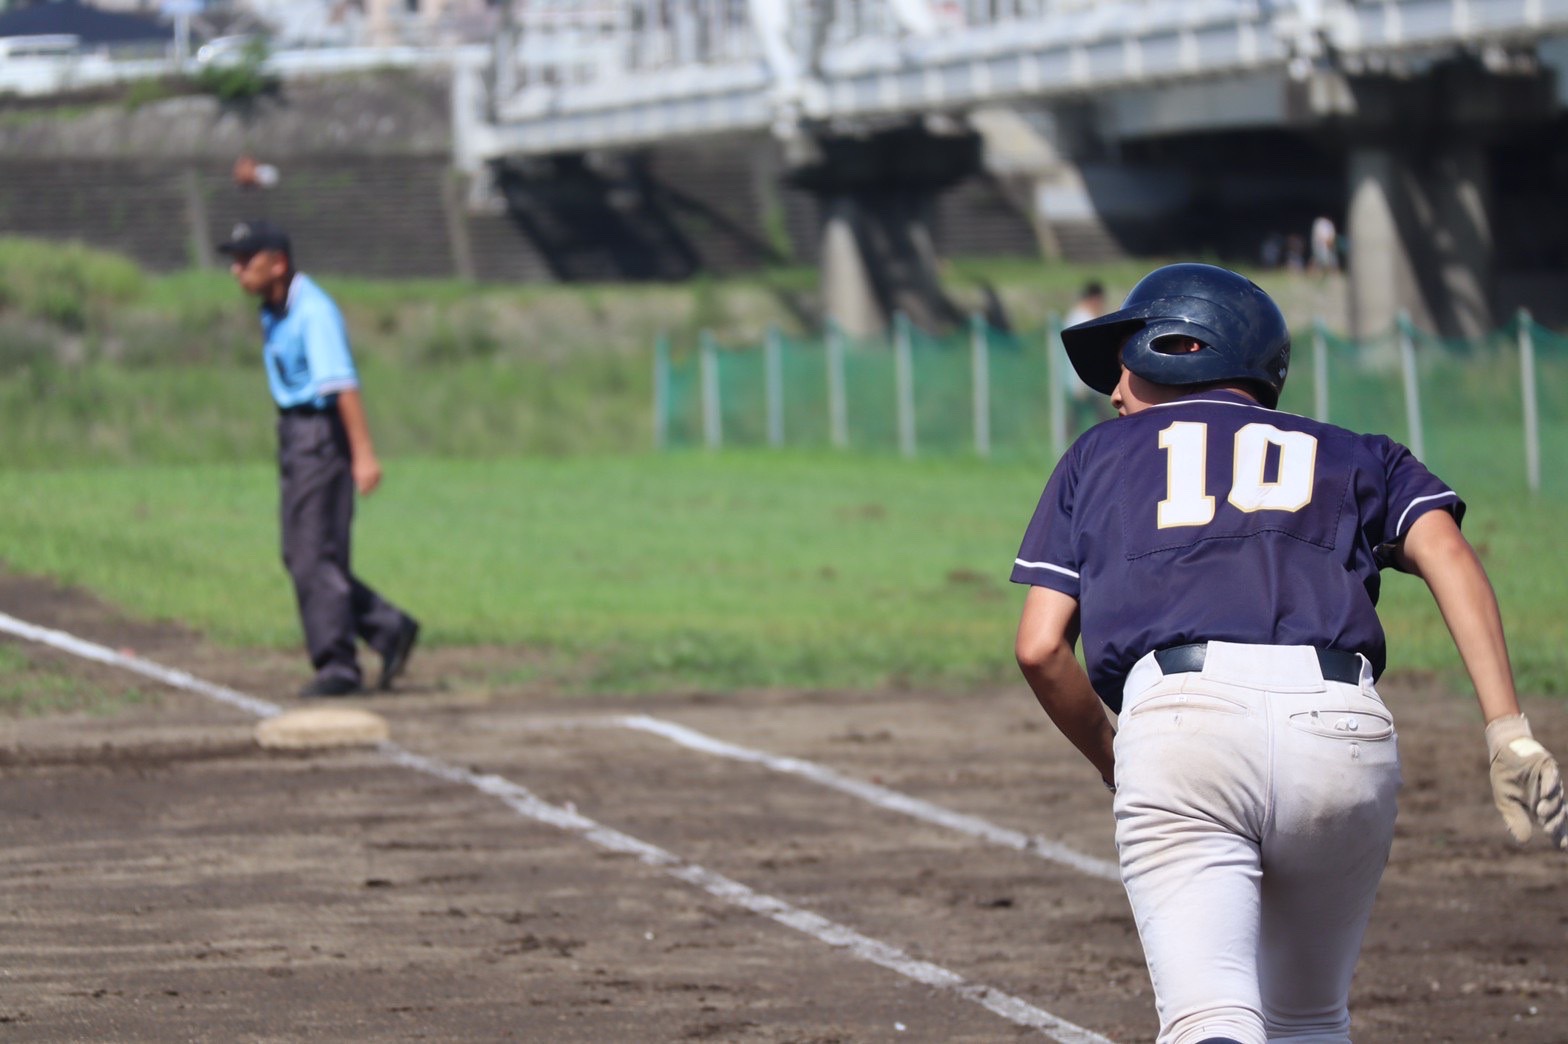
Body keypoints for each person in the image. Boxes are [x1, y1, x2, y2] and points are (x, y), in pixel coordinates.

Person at [1011, 262, 1566, 1044]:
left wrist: (1112, 756)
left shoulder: (1098, 456)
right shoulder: (1357, 451)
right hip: (1342, 729)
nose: (1115, 392)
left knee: (1212, 1018)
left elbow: (1039, 649)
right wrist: (1506, 728)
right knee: (1307, 1021)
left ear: (1174, 353)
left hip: (1183, 722)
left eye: (1124, 366)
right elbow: (1449, 555)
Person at [219, 219, 420, 698]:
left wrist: (363, 454)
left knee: (314, 555)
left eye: (248, 260)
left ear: (279, 264)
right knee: (302, 552)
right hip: (295, 433)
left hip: (321, 434)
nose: (237, 270)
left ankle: (338, 665)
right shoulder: (274, 307)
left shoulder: (314, 312)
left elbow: (341, 385)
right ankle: (388, 628)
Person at [1061, 280, 1111, 436]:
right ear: (1094, 298)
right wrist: (1079, 382)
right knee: (1099, 415)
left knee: (1080, 415)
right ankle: (1110, 437)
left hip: (1083, 379)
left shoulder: (1077, 315)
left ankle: (1064, 439)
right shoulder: (1081, 318)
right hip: (1083, 379)